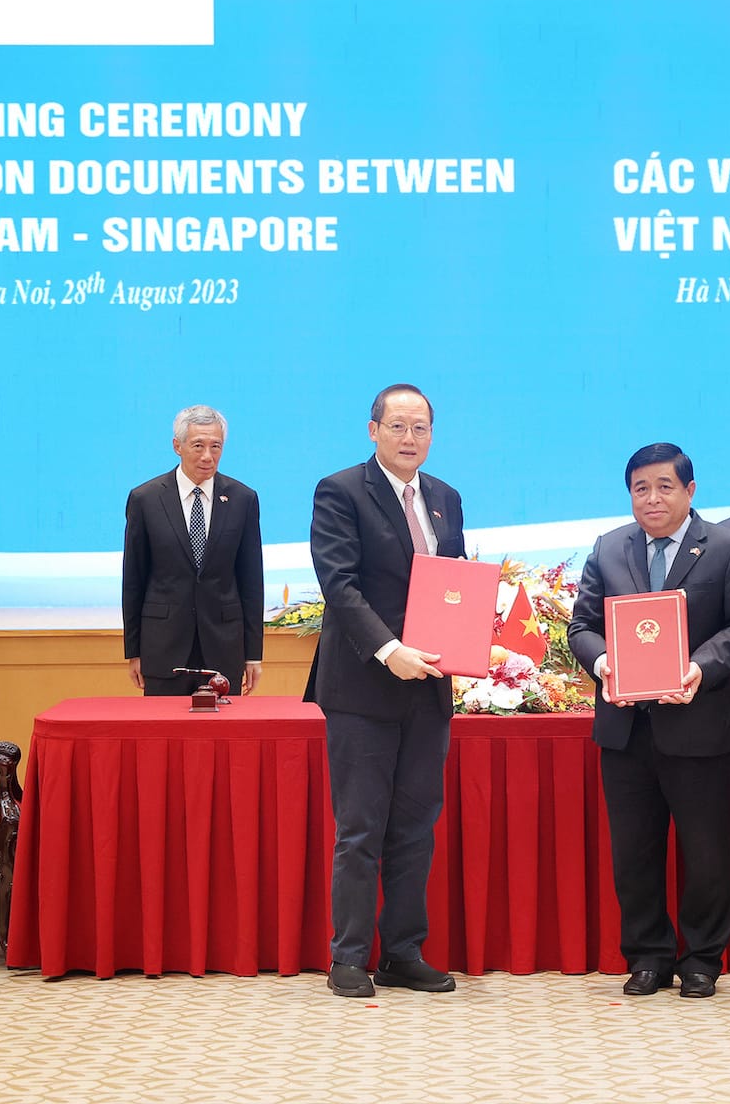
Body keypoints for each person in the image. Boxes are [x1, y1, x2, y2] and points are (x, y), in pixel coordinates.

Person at [568, 443, 730, 999]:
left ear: (690, 490)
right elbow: (581, 626)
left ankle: (702, 958)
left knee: (706, 851)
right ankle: (648, 954)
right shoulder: (609, 547)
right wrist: (605, 663)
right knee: (635, 851)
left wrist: (700, 668)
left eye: (664, 487)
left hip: (697, 724)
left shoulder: (728, 548)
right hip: (626, 728)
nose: (652, 499)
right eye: (640, 489)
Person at [305, 384, 466, 999]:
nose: (409, 438)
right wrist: (389, 650)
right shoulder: (340, 490)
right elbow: (339, 585)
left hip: (428, 690)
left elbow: (452, 584)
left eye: (420, 428)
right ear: (373, 430)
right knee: (361, 829)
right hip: (363, 690)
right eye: (397, 426)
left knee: (415, 828)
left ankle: (402, 952)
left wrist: (468, 644)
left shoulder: (446, 498)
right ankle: (348, 956)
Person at [123, 406, 265, 696]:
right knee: (165, 738)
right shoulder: (146, 499)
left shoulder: (242, 499)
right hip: (163, 647)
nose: (207, 456)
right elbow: (133, 580)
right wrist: (134, 650)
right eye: (198, 445)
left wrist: (253, 654)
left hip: (224, 648)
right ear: (177, 446)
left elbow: (251, 581)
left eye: (216, 446)